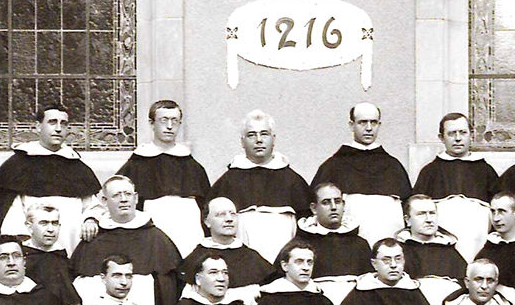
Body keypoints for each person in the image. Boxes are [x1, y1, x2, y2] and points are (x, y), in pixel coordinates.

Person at [73, 175, 185, 305]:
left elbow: (170, 288)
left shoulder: (156, 238)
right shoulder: (94, 239)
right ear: (105, 202)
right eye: (116, 195)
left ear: (136, 198)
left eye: (127, 194)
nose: (124, 199)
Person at [0, 105, 104, 247]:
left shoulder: (76, 165)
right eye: (52, 122)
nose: (58, 129)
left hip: (72, 245)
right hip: (32, 251)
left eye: (64, 124)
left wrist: (90, 220)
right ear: (38, 126)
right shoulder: (18, 164)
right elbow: (10, 214)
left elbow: (91, 206)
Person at [209, 110, 309, 268]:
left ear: (273, 139)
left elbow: (306, 226)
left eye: (264, 134)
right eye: (251, 135)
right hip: (242, 265)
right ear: (242, 142)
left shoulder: (293, 181)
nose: (259, 140)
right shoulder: (227, 182)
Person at [112, 99, 212, 255]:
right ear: (152, 124)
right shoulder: (137, 163)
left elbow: (206, 206)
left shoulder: (192, 165)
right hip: (153, 231)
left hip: (188, 231)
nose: (170, 126)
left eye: (175, 121)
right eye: (163, 120)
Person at [312, 101, 413, 245]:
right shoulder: (334, 166)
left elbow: (408, 212)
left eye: (374, 122)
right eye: (362, 122)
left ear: (379, 125)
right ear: (351, 125)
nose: (369, 128)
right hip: (348, 247)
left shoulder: (393, 166)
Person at [413, 111, 502, 261]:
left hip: (478, 241)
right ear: (441, 138)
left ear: (471, 135)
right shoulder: (430, 171)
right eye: (452, 133)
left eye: (463, 132)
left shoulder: (485, 170)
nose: (458, 138)